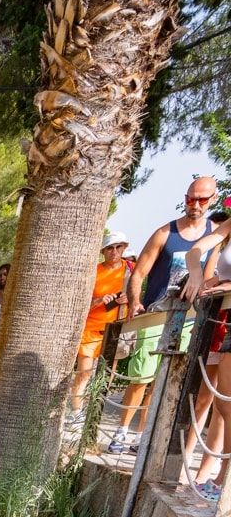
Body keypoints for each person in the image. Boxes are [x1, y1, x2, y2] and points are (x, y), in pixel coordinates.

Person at [105, 175, 220, 453]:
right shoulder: (165, 233)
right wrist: (135, 302)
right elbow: (139, 272)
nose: (194, 204)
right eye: (190, 198)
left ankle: (143, 436)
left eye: (201, 200)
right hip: (157, 313)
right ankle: (122, 432)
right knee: (141, 376)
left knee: (165, 380)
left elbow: (207, 278)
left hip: (190, 318)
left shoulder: (215, 235)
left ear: (212, 200)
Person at [173, 206, 231, 496]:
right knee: (222, 403)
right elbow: (195, 251)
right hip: (227, 320)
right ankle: (215, 477)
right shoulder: (228, 226)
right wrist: (196, 274)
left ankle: (222, 481)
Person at [70, 235, 130, 416]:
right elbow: (78, 303)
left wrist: (130, 299)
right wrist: (99, 300)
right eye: (110, 248)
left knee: (107, 377)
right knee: (84, 373)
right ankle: (76, 413)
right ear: (103, 251)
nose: (114, 251)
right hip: (91, 329)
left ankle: (93, 412)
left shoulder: (130, 270)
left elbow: (139, 297)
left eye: (118, 247)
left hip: (115, 329)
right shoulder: (93, 271)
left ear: (124, 248)